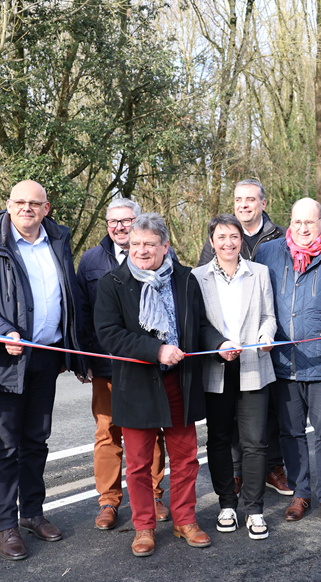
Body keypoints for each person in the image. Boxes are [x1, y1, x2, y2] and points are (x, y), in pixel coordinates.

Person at [0, 180, 84, 561]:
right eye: (20, 202)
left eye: (35, 203)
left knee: (37, 441)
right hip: (4, 359)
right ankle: (5, 525)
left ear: (47, 208)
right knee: (5, 446)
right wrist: (2, 332)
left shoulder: (58, 239)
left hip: (47, 356)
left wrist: (74, 350)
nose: (27, 208)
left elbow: (69, 294)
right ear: (8, 205)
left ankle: (31, 513)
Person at [95, 213, 232, 556]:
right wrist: (155, 350)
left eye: (149, 245)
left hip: (181, 383)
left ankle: (186, 520)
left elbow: (200, 326)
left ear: (165, 247)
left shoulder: (185, 279)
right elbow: (109, 335)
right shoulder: (113, 282)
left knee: (185, 459)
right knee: (139, 463)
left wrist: (219, 345)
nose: (141, 251)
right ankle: (143, 527)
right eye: (135, 244)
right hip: (137, 385)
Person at [254, 197, 321, 526]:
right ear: (290, 221)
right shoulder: (268, 253)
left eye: (310, 222)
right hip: (282, 362)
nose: (303, 229)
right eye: (297, 222)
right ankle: (301, 492)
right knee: (290, 433)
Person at [77, 198, 170, 530]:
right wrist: (82, 358)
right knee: (108, 433)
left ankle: (155, 495)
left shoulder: (159, 256)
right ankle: (109, 501)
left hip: (146, 363)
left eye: (126, 220)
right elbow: (83, 315)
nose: (119, 226)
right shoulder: (90, 261)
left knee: (151, 430)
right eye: (113, 221)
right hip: (106, 364)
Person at [196, 178, 291, 498]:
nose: (244, 204)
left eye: (251, 199)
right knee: (227, 421)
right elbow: (203, 302)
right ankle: (235, 474)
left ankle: (273, 467)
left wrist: (268, 333)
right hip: (223, 351)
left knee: (270, 414)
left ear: (264, 202)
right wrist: (218, 343)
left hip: (267, 343)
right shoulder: (217, 240)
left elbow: (277, 298)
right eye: (239, 199)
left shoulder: (279, 237)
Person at [192, 214, 277, 539]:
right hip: (216, 367)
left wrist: (266, 335)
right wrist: (219, 345)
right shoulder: (197, 277)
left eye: (234, 237)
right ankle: (227, 503)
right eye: (221, 237)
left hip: (254, 364)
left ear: (242, 240)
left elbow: (269, 316)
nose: (228, 243)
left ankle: (254, 509)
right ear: (212, 242)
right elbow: (198, 324)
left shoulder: (259, 273)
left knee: (255, 442)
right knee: (220, 440)